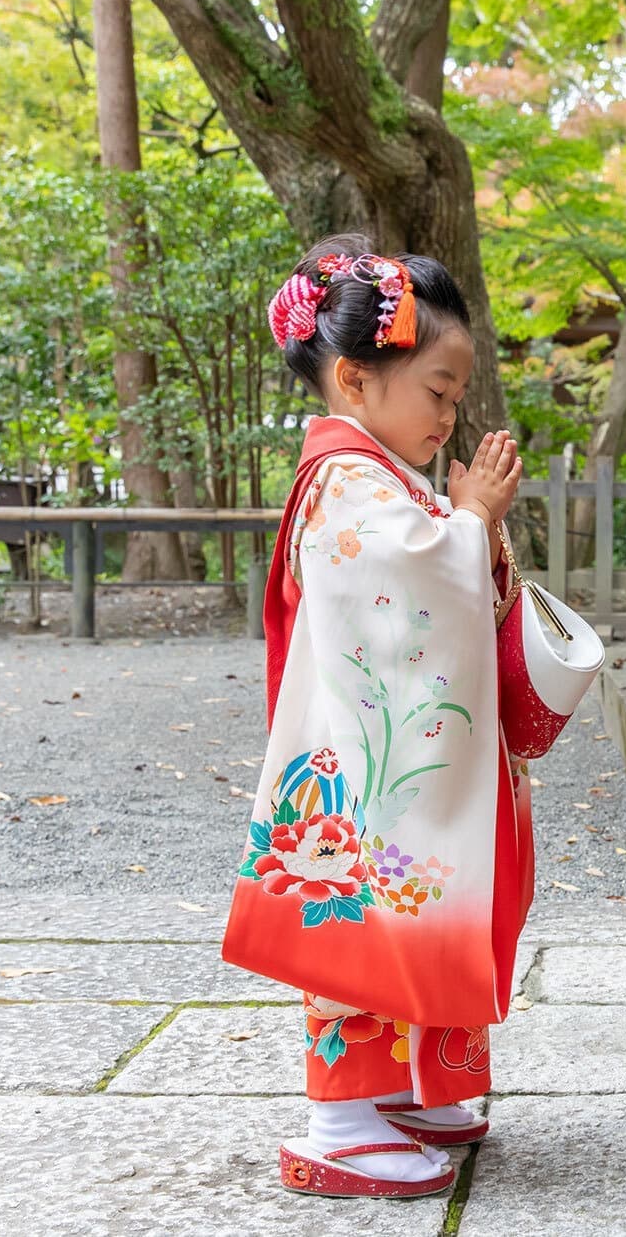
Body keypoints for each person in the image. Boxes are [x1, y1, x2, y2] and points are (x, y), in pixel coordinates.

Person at [222, 234, 530, 1199]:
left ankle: (410, 1089)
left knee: (419, 895)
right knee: (363, 908)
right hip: (358, 760)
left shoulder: (374, 473)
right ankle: (341, 1121)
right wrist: (470, 522)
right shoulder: (347, 481)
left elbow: (427, 571)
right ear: (356, 379)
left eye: (454, 395)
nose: (450, 413)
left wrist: (464, 524)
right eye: (437, 392)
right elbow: (409, 582)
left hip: (383, 746)